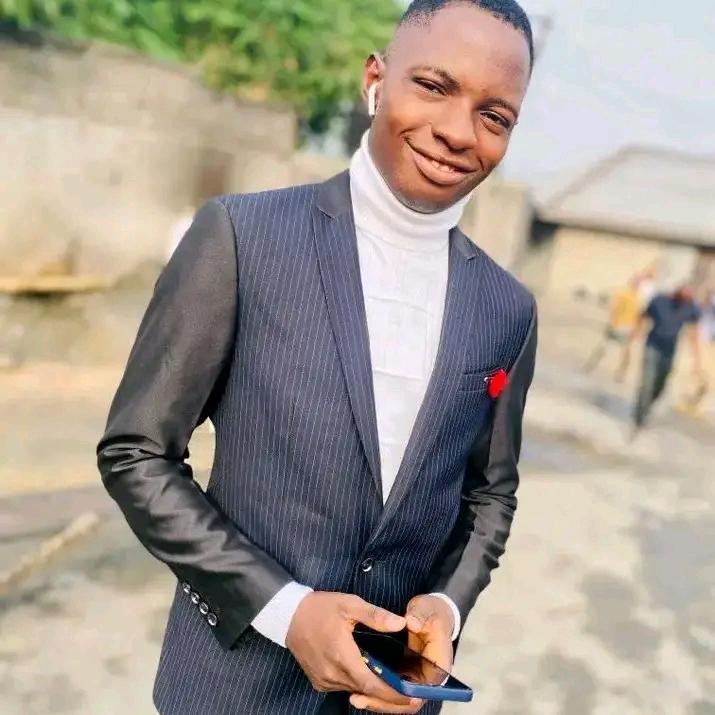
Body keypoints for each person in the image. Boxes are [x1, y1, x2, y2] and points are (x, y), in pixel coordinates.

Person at [96, 2, 537, 713]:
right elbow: (136, 453)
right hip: (230, 693)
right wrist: (284, 609)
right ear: (375, 80)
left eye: (495, 116)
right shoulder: (242, 239)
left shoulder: (507, 309)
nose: (459, 132)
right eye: (433, 86)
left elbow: (489, 493)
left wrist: (447, 608)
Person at [631, 285, 704, 433]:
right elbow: (643, 315)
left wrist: (696, 358)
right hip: (652, 346)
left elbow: (693, 331)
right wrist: (636, 332)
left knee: (660, 384)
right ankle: (639, 418)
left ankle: (646, 405)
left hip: (669, 350)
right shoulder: (659, 301)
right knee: (647, 382)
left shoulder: (690, 308)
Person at [584, 273, 643, 379]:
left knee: (626, 352)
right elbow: (614, 308)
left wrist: (637, 330)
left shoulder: (638, 298)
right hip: (618, 325)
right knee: (604, 346)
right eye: (636, 282)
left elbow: (639, 315)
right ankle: (591, 364)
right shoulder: (622, 294)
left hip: (628, 327)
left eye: (638, 283)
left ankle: (621, 373)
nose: (637, 285)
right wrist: (612, 322)